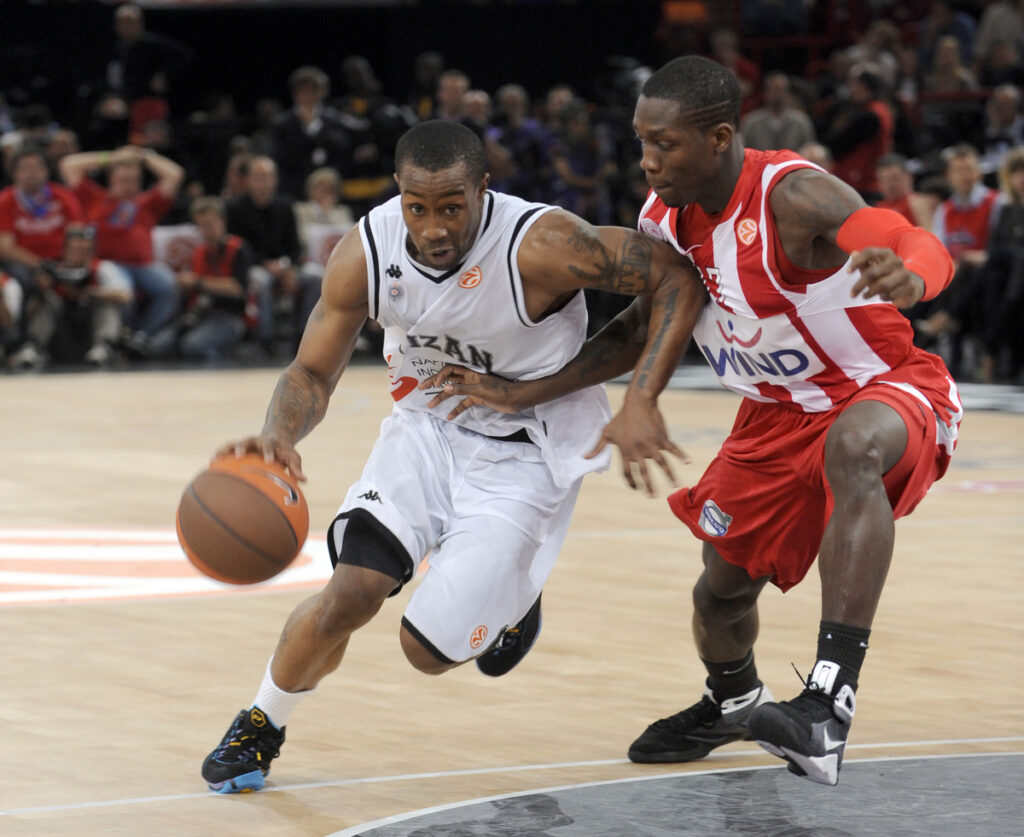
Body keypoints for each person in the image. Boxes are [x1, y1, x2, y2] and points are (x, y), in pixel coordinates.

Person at [425, 56, 962, 787]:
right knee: (719, 593)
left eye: (664, 144)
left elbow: (911, 239)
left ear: (718, 139)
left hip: (884, 389)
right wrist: (529, 393)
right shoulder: (663, 221)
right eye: (641, 142)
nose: (647, 161)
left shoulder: (792, 195)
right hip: (773, 419)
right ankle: (735, 701)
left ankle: (827, 704)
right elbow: (640, 327)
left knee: (855, 444)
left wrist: (916, 273)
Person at [199, 119, 703, 793]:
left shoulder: (544, 244)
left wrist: (621, 396)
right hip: (427, 433)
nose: (433, 227)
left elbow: (677, 280)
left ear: (483, 191)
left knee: (425, 651)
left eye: (451, 207)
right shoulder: (367, 252)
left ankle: (514, 596)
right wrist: (279, 436)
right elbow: (311, 374)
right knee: (350, 594)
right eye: (417, 207)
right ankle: (262, 720)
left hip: (528, 449)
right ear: (398, 195)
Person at [59, 144, 184, 355]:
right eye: (123, 179)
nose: (128, 185)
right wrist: (112, 156)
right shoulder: (94, 198)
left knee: (170, 286)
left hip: (144, 265)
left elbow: (175, 174)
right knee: (120, 289)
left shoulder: (147, 203)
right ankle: (120, 336)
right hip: (109, 263)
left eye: (133, 180)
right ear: (111, 179)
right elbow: (68, 165)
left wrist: (144, 156)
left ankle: (140, 336)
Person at [226, 155, 320, 352]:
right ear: (248, 180)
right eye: (259, 177)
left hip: (284, 266)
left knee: (316, 276)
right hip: (253, 267)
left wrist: (288, 268)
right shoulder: (235, 209)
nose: (265, 183)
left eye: (269, 177)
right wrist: (266, 264)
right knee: (260, 280)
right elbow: (238, 248)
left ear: (275, 180)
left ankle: (306, 336)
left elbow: (295, 246)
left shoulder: (286, 207)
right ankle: (265, 339)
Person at [15, 224, 133, 369]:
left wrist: (91, 292)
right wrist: (42, 290)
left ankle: (102, 348)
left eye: (84, 250)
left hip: (90, 327)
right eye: (74, 250)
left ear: (92, 252)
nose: (79, 254)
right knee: (47, 301)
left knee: (106, 304)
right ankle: (33, 348)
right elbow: (28, 310)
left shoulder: (102, 268)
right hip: (60, 330)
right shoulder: (53, 270)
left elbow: (125, 295)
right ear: (65, 250)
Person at [155, 196, 252, 363]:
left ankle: (223, 368)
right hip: (202, 314)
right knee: (160, 345)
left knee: (195, 345)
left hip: (231, 316)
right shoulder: (199, 252)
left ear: (222, 222)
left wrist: (198, 282)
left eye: (209, 224)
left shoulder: (238, 249)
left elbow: (237, 288)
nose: (205, 230)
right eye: (200, 225)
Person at [740, 72, 817, 153]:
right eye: (775, 90)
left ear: (789, 93)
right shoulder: (751, 122)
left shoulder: (801, 122)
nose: (778, 95)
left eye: (782, 90)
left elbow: (810, 151)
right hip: (760, 164)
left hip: (792, 164)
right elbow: (743, 152)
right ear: (766, 93)